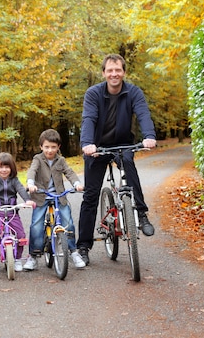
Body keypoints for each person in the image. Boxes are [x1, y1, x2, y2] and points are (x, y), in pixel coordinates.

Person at [78, 53, 157, 266]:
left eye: (118, 70)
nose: (114, 74)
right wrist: (87, 144)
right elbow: (89, 119)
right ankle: (83, 246)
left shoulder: (133, 92)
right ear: (104, 73)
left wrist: (149, 136)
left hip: (123, 144)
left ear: (123, 72)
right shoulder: (93, 94)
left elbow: (143, 114)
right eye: (110, 70)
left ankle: (141, 215)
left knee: (129, 166)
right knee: (91, 196)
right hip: (97, 147)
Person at [23, 129, 86, 270]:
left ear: (58, 147)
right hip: (41, 195)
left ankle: (73, 252)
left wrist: (76, 184)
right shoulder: (38, 159)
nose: (50, 150)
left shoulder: (61, 160)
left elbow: (69, 172)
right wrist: (31, 183)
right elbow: (32, 170)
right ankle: (33, 256)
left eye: (53, 147)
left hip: (59, 196)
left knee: (68, 222)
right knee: (36, 225)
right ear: (41, 147)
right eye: (46, 147)